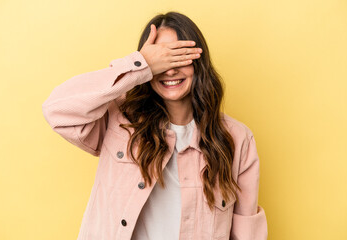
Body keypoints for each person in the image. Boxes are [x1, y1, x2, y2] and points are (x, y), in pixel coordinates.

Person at [42, 11, 268, 240]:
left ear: (199, 62)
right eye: (161, 59)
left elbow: (247, 233)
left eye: (179, 56)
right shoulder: (120, 120)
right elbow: (57, 110)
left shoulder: (237, 139)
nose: (169, 70)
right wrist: (140, 65)